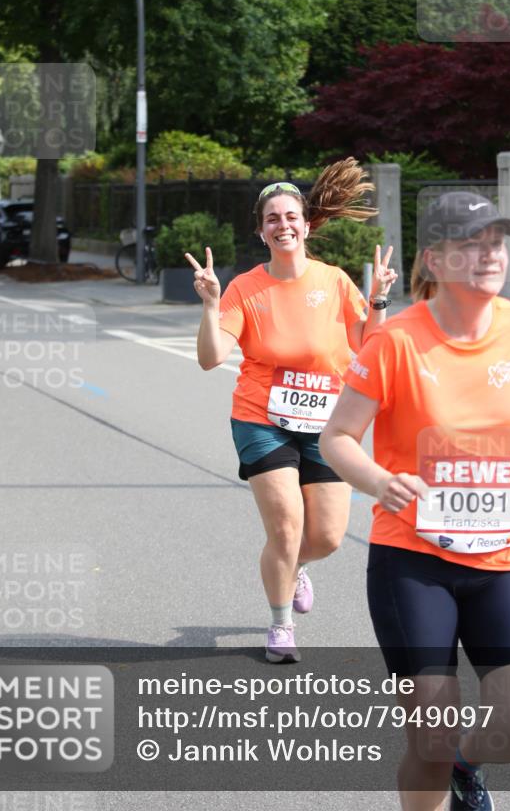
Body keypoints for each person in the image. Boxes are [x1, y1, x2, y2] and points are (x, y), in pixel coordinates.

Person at [320, 192, 510, 811]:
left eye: (496, 241)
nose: (489, 254)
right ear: (434, 259)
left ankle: (468, 764)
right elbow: (336, 438)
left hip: (505, 560)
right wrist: (379, 481)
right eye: (470, 243)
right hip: (414, 559)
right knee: (429, 734)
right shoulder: (396, 341)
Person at [185, 159, 397, 663]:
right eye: (272, 219)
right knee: (284, 527)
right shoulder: (245, 288)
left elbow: (370, 348)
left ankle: (294, 565)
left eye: (290, 216)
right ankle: (281, 625)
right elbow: (211, 358)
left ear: (306, 225)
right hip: (262, 417)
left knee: (324, 537)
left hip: (328, 422)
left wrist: (381, 302)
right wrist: (211, 305)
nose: (283, 225)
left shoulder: (335, 281)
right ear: (261, 232)